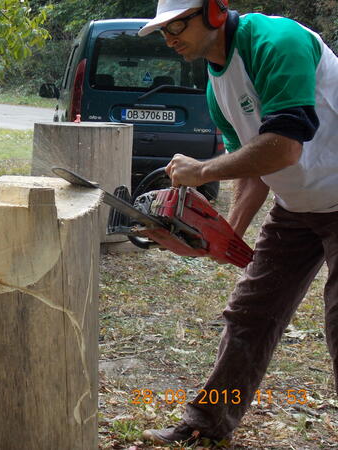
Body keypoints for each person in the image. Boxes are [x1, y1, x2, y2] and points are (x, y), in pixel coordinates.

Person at [137, 0, 338, 445]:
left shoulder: (276, 42)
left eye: (177, 25)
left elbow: (283, 148)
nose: (169, 38)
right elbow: (250, 171)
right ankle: (205, 424)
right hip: (298, 205)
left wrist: (203, 171)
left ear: (212, 12)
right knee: (250, 312)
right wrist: (218, 236)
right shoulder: (216, 84)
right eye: (163, 31)